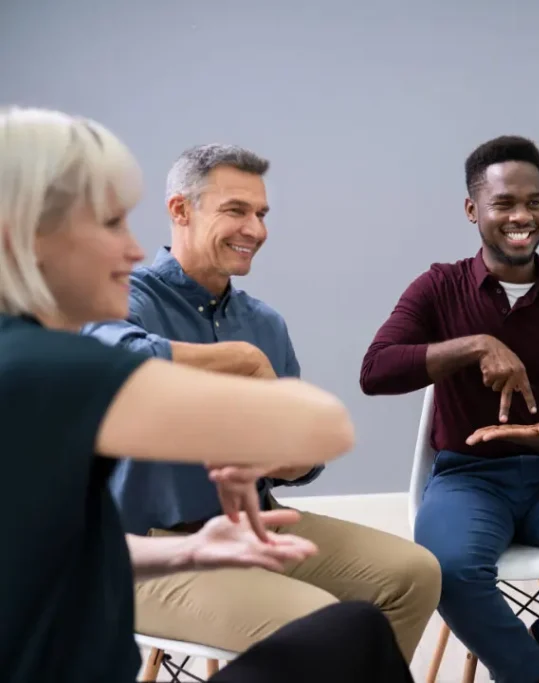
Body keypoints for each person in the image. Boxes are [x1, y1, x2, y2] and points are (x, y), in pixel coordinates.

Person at [0, 106, 414, 682]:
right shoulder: (38, 365)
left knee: (368, 617)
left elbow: (63, 549)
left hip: (209, 539)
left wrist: (194, 549)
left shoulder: (35, 356)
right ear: (25, 235)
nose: (134, 248)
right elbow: (328, 425)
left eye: (261, 213)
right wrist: (246, 366)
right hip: (155, 537)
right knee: (339, 632)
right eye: (109, 222)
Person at [82, 143, 441, 662]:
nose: (256, 229)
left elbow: (304, 457)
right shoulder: (124, 298)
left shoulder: (265, 322)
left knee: (413, 575)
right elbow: (117, 361)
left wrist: (293, 458)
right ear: (180, 210)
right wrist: (243, 360)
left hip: (254, 527)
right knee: (323, 625)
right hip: (145, 551)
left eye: (261, 213)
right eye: (236, 210)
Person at [360, 135, 539, 683]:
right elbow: (375, 372)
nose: (522, 216)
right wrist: (475, 346)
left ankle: (538, 656)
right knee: (446, 569)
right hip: (467, 478)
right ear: (473, 210)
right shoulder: (438, 288)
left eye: (534, 201)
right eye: (504, 204)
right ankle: (536, 674)